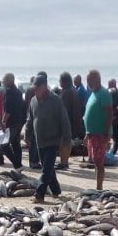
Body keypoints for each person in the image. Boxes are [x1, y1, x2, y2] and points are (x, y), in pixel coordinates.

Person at [24, 75, 71, 203]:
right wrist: (27, 133)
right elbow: (30, 119)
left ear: (44, 87)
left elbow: (64, 120)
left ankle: (39, 194)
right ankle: (56, 190)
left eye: (36, 88)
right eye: (33, 88)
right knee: (48, 167)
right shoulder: (33, 100)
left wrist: (66, 140)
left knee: (46, 169)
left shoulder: (55, 100)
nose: (34, 91)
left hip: (53, 140)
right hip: (39, 140)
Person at [83, 70, 113, 190]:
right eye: (88, 80)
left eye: (91, 80)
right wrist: (87, 133)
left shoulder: (103, 93)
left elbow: (110, 113)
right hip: (91, 133)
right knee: (95, 161)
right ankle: (97, 187)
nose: (89, 82)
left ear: (98, 79)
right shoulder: (93, 93)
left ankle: (99, 187)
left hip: (100, 133)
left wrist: (106, 132)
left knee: (99, 162)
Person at [0, 73, 25, 170]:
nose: (3, 82)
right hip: (19, 120)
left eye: (4, 80)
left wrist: (3, 121)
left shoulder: (9, 92)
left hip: (12, 122)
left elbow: (8, 109)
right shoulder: (18, 91)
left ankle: (17, 165)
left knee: (3, 145)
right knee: (16, 144)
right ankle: (18, 166)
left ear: (9, 81)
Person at [58, 72, 82, 169]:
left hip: (67, 121)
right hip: (73, 121)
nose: (59, 83)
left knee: (63, 143)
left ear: (64, 81)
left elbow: (63, 109)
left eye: (60, 81)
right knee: (67, 143)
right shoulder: (73, 90)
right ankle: (65, 162)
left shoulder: (67, 92)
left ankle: (64, 162)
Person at [24, 76, 40, 169]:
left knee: (31, 140)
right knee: (34, 140)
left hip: (29, 114)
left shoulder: (28, 90)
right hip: (34, 115)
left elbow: (26, 102)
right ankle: (34, 161)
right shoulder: (33, 91)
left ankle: (32, 161)